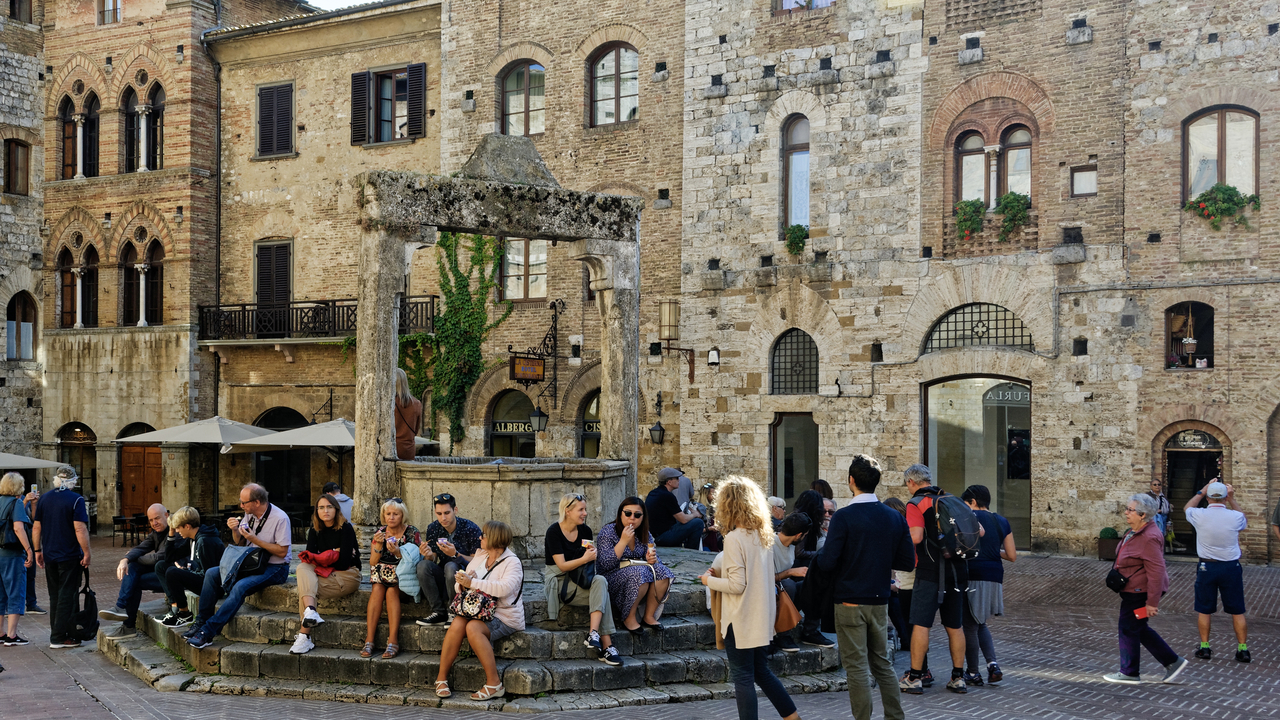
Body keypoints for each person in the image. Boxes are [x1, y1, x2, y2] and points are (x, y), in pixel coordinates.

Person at [817, 455, 914, 720]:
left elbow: (827, 562)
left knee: (857, 666)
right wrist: (879, 559)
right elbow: (907, 561)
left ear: (851, 480)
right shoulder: (893, 517)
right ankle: (895, 717)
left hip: (849, 599)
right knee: (882, 663)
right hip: (880, 599)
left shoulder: (844, 517)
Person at [699, 476, 801, 720]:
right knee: (761, 672)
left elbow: (737, 586)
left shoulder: (734, 538)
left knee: (743, 677)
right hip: (762, 615)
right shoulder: (763, 536)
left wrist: (707, 580)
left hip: (740, 618)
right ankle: (793, 717)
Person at [186, 483, 291, 649]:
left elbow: (282, 552)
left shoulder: (280, 518)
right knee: (212, 573)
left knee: (240, 586)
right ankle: (201, 622)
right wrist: (235, 530)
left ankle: (208, 632)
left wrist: (255, 540)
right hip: (252, 563)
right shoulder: (249, 514)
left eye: (244, 502)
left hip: (275, 567)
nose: (241, 506)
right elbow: (240, 542)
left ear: (257, 502)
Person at [1102, 493, 1189, 684]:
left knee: (1128, 627)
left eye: (1130, 510)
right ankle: (1172, 662)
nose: (1126, 513)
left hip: (1140, 594)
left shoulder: (1149, 537)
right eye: (1127, 509)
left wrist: (1152, 603)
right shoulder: (1134, 531)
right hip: (1133, 591)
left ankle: (1130, 671)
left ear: (1143, 515)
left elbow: (1157, 571)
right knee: (1137, 627)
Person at [900, 463, 972, 694]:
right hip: (957, 571)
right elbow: (978, 531)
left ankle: (915, 677)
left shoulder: (916, 503)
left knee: (921, 624)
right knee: (955, 625)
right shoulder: (953, 499)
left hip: (930, 571)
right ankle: (958, 678)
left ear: (911, 482)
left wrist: (898, 538)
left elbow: (916, 536)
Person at [435, 520, 525, 702]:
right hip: (478, 610)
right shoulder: (480, 556)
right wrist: (463, 582)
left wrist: (473, 582)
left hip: (504, 615)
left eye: (483, 535)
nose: (479, 537)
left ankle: (494, 684)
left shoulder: (512, 562)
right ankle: (441, 678)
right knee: (458, 622)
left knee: (473, 628)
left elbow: (504, 589)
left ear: (494, 539)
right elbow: (461, 586)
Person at [544, 493, 621, 665]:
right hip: (559, 580)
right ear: (568, 511)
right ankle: (607, 646)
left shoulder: (585, 530)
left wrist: (591, 555)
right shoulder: (553, 532)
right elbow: (562, 566)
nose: (585, 513)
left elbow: (587, 561)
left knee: (600, 581)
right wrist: (585, 559)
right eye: (581, 510)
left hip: (580, 577)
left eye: (585, 509)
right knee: (603, 596)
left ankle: (593, 633)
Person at [1183, 481, 1250, 663]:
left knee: (1204, 609)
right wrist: (1232, 499)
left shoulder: (1199, 514)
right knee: (1237, 609)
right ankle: (1242, 649)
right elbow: (1242, 518)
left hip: (1207, 566)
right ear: (1225, 498)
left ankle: (1205, 647)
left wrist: (1201, 491)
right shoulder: (1234, 516)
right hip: (1231, 566)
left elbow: (1187, 507)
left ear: (1208, 497)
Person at [290, 493, 362, 655]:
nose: (326, 511)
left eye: (329, 507)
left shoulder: (346, 528)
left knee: (306, 589)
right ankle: (310, 613)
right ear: (316, 511)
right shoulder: (314, 530)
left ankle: (304, 637)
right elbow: (309, 558)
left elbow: (343, 563)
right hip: (326, 573)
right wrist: (334, 552)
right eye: (321, 507)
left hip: (348, 575)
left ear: (336, 509)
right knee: (303, 567)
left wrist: (321, 556)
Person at [960, 485, 1015, 686]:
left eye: (966, 504)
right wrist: (992, 551)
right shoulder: (1001, 521)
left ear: (973, 501)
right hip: (994, 576)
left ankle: (973, 672)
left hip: (973, 574)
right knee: (979, 621)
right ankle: (993, 665)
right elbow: (1012, 555)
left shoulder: (968, 517)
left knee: (969, 625)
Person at [32, 466, 90, 649]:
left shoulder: (44, 499)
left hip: (50, 554)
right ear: (73, 481)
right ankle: (59, 636)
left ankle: (61, 633)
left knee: (55, 595)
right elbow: (79, 528)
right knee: (67, 595)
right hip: (69, 554)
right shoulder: (76, 499)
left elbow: (36, 527)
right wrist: (87, 552)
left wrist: (37, 550)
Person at [597, 496, 675, 632]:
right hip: (612, 576)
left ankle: (649, 616)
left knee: (663, 572)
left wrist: (652, 559)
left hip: (637, 571)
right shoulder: (608, 531)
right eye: (628, 513)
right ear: (620, 514)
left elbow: (657, 561)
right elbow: (605, 564)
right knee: (640, 573)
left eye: (637, 515)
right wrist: (623, 541)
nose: (632, 518)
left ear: (643, 517)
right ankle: (629, 617)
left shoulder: (644, 533)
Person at [99, 503, 173, 638]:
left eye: (157, 518)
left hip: (174, 575)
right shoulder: (156, 533)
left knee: (134, 580)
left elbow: (160, 557)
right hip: (162, 570)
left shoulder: (175, 531)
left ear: (166, 515)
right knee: (132, 568)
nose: (154, 523)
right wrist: (125, 560)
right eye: (151, 520)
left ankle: (128, 625)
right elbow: (140, 548)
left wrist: (134, 558)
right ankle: (120, 608)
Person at [362, 498, 420, 659]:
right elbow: (373, 562)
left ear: (402, 515)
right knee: (377, 589)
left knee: (391, 592)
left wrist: (398, 552)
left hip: (404, 579)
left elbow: (416, 560)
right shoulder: (380, 532)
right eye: (388, 514)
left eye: (396, 514)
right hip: (383, 578)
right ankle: (369, 640)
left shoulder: (411, 532)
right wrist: (378, 545)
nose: (391, 517)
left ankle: (393, 640)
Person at [415, 493, 483, 626]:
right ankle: (438, 612)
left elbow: (478, 561)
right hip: (444, 576)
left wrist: (456, 554)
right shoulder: (433, 528)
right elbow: (433, 558)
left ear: (455, 510)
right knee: (423, 565)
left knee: (451, 566)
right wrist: (428, 554)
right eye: (439, 514)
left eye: (447, 513)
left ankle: (454, 611)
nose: (443, 518)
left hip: (466, 577)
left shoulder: (470, 528)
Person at [158, 507, 224, 628]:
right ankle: (175, 607)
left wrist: (187, 574)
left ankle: (184, 614)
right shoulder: (193, 539)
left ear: (187, 526)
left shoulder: (204, 541)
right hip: (202, 578)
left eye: (178, 528)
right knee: (161, 566)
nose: (177, 531)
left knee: (172, 572)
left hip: (214, 588)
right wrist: (171, 533)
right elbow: (169, 557)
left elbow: (209, 575)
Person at [790, 489, 833, 648]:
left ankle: (811, 628)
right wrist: (821, 554)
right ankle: (810, 630)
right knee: (817, 583)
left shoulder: (802, 519)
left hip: (797, 567)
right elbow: (799, 552)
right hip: (794, 568)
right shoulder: (801, 520)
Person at [0, 472, 35, 646]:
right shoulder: (17, 503)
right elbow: (18, 528)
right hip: (12, 554)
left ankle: (0, 633)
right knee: (15, 592)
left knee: (0, 595)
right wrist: (29, 549)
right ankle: (12, 635)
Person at [771, 511, 812, 653]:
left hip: (781, 588)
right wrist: (790, 572)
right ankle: (783, 634)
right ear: (799, 535)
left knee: (810, 585)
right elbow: (762, 577)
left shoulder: (791, 547)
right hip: (767, 589)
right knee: (789, 585)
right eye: (804, 535)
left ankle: (810, 631)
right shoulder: (770, 544)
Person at [647, 470, 704, 549]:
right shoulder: (667, 496)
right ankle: (691, 551)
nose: (679, 480)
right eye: (676, 478)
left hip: (654, 536)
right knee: (698, 523)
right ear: (669, 482)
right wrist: (695, 514)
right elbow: (683, 519)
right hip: (662, 537)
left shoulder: (653, 493)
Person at [882, 497, 911, 654]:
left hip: (907, 582)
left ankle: (907, 638)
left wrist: (894, 585)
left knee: (891, 596)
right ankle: (906, 637)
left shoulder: (902, 532)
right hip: (903, 581)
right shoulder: (904, 529)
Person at [394, 368, 423, 461]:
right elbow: (416, 430)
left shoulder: (389, 403)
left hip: (392, 448)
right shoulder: (417, 403)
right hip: (408, 450)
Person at [22, 485, 43, 614]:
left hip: (28, 541)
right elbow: (15, 516)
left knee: (30, 574)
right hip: (14, 544)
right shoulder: (6, 501)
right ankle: (7, 606)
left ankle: (31, 603)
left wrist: (34, 504)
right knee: (12, 577)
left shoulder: (25, 499)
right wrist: (24, 501)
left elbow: (35, 519)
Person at [1147, 479, 1173, 551]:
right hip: (1154, 519)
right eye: (1155, 485)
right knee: (1154, 536)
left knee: (1161, 536)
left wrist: (1168, 522)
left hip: (1164, 518)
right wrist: (1155, 511)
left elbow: (1168, 510)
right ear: (1151, 486)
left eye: (1159, 484)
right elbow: (1145, 507)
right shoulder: (1148, 496)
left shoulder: (1163, 496)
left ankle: (1160, 553)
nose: (1157, 486)